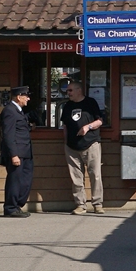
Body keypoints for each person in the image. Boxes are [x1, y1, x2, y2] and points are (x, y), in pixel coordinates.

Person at [59, 82, 105, 214]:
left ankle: (97, 204)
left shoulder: (90, 103)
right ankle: (80, 205)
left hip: (91, 144)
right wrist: (66, 141)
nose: (68, 93)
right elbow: (65, 125)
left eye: (70, 90)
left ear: (79, 90)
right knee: (76, 178)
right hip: (72, 147)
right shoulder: (67, 106)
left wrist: (87, 127)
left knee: (95, 175)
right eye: (67, 91)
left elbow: (100, 121)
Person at [0, 85, 34, 217]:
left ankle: (17, 205)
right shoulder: (10, 111)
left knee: (25, 180)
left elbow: (19, 129)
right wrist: (14, 155)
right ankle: (11, 208)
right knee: (15, 180)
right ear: (19, 97)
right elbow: (8, 135)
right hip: (17, 153)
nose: (28, 99)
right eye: (26, 96)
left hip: (25, 152)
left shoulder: (18, 111)